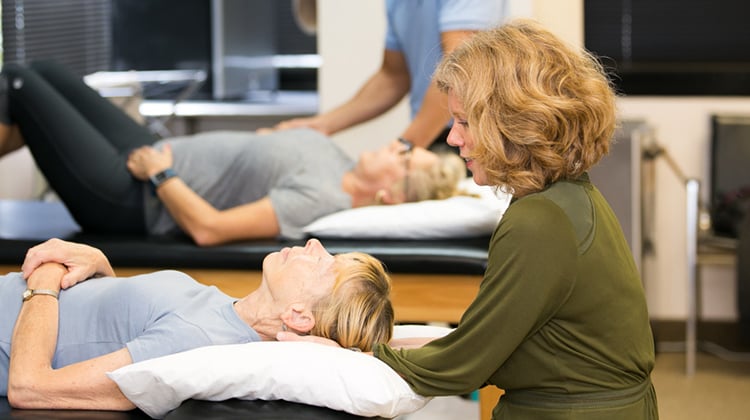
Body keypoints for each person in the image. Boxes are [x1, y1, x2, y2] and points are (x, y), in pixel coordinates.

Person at [281, 20, 659, 419]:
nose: (452, 139)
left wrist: (347, 358)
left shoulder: (539, 221)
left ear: (513, 124)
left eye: (464, 122)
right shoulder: (568, 196)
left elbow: (462, 365)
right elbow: (488, 344)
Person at [0, 61, 466, 247]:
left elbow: (210, 229)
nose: (395, 145)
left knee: (18, 83)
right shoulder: (336, 158)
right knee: (44, 71)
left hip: (132, 195)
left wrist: (162, 176)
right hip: (143, 156)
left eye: (404, 159)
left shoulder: (321, 199)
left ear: (388, 195)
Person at [1, 237, 394, 410]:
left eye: (326, 264)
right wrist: (99, 265)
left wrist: (45, 279)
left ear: (299, 315)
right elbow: (109, 327)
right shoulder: (224, 313)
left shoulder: (197, 342)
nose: (314, 246)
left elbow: (30, 387)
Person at [267, 0, 507, 150]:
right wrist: (321, 125)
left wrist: (403, 149)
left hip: (474, 137)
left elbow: (460, 73)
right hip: (436, 138)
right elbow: (393, 76)